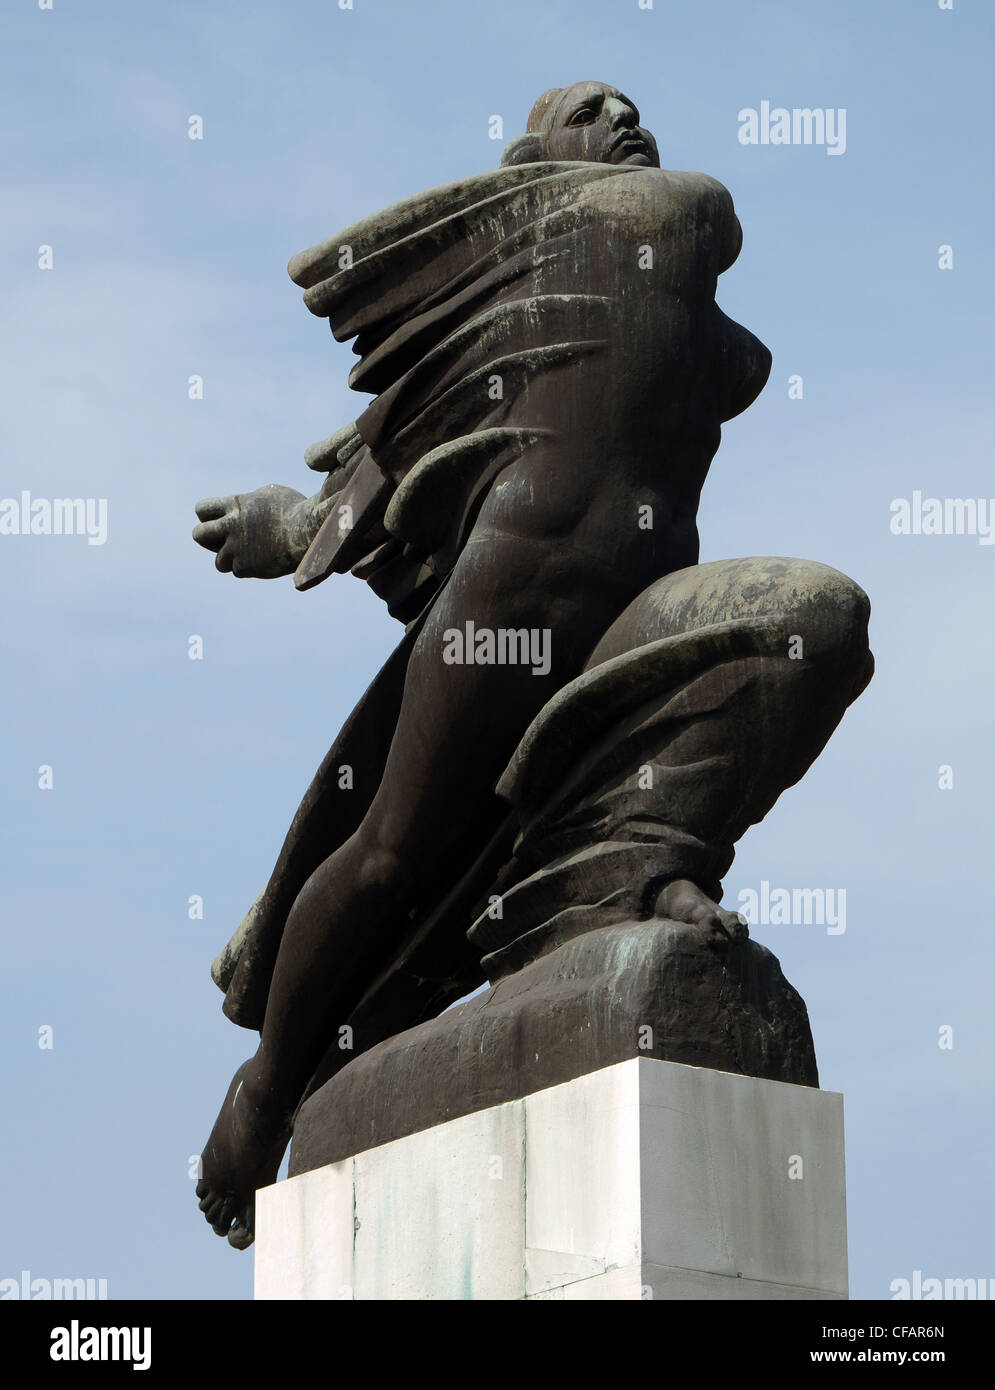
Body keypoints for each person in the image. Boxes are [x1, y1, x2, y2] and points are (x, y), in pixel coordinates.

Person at [192, 83, 868, 1248]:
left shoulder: (689, 296)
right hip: (501, 610)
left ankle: (626, 868)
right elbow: (404, 447)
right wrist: (299, 524)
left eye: (632, 103)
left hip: (626, 618)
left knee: (816, 623)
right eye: (586, 110)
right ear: (533, 165)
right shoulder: (559, 244)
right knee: (393, 850)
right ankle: (265, 1091)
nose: (620, 114)